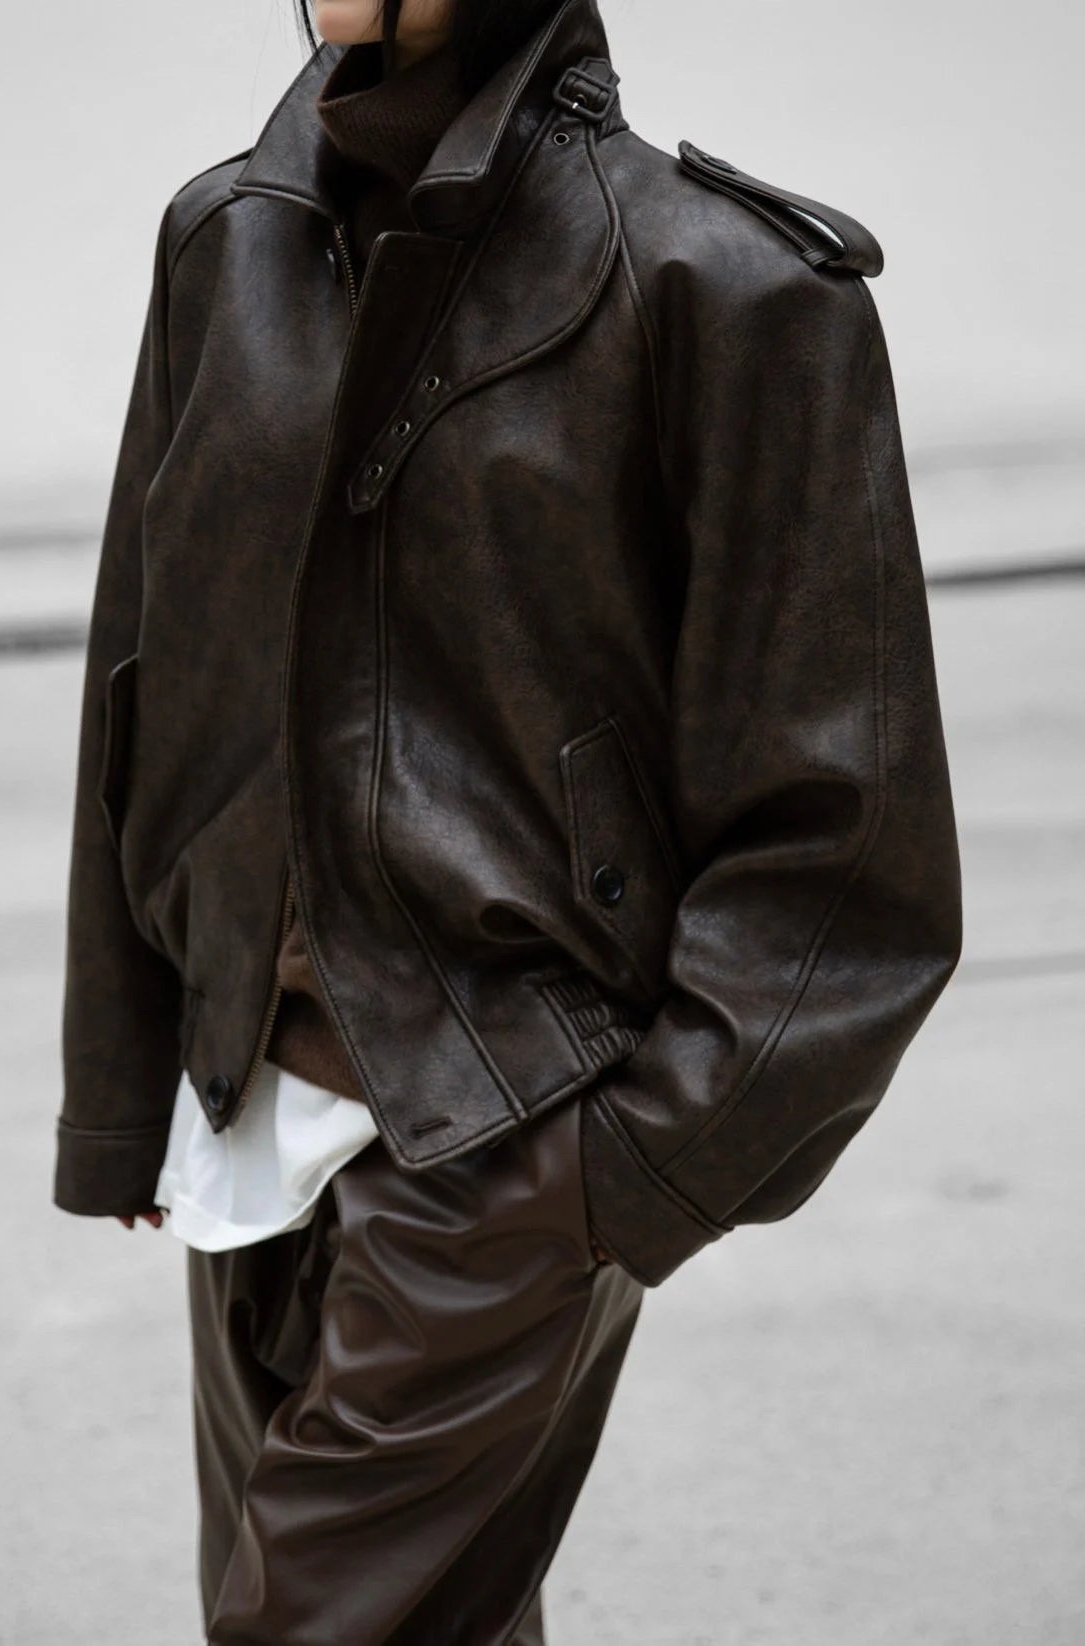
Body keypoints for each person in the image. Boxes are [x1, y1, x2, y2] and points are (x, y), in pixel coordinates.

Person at [52, 0, 964, 1637]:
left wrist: (624, 1173)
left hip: (509, 1133)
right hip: (249, 1114)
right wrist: (127, 1090)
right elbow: (145, 683)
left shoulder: (730, 293)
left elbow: (850, 847)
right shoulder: (222, 246)